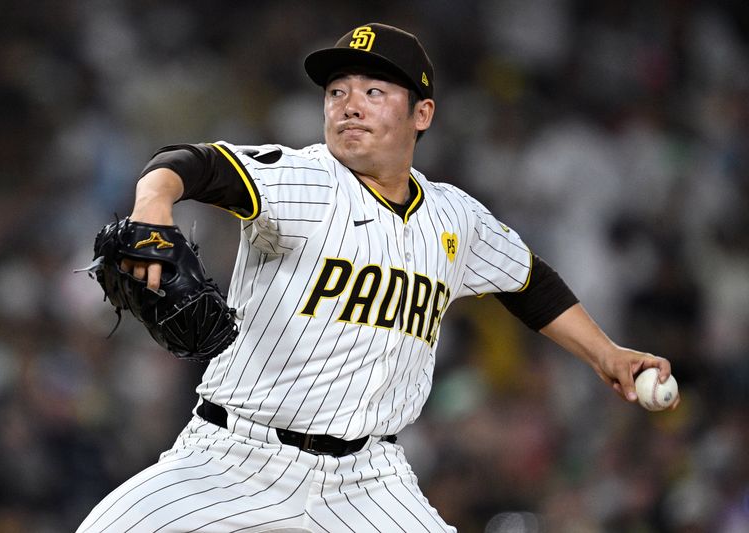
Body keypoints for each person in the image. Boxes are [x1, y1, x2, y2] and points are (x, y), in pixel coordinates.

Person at [76, 23, 679, 533]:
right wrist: (153, 204)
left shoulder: (456, 218)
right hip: (234, 456)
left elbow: (529, 283)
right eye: (336, 91)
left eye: (373, 89)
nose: (349, 104)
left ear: (423, 113)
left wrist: (606, 353)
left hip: (366, 480)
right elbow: (191, 164)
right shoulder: (302, 180)